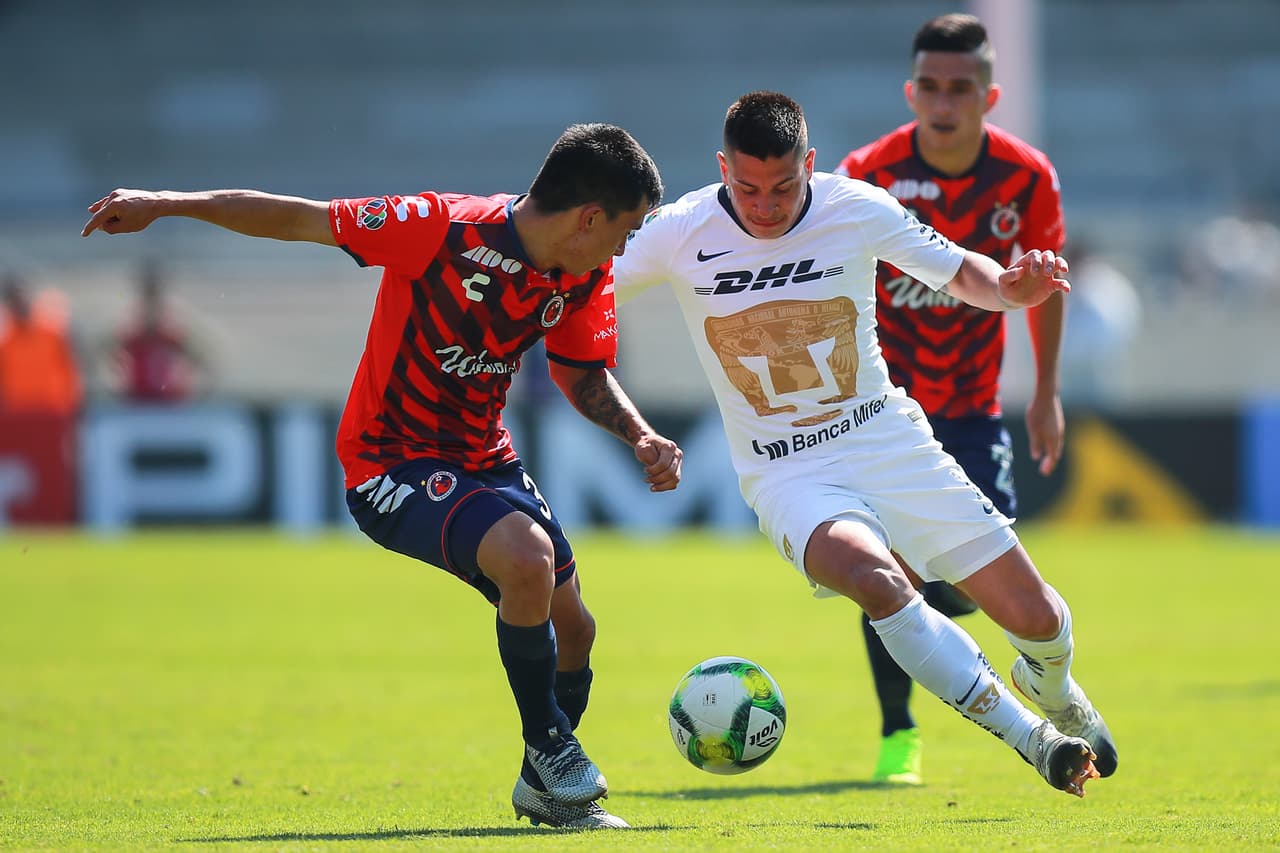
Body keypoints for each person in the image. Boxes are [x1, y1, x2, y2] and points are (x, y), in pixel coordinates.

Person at [82, 123, 683, 830]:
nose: (625, 246)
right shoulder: (437, 227)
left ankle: (544, 791)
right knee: (527, 557)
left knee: (575, 629)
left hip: (485, 458)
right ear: (589, 217)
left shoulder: (583, 272)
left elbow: (581, 371)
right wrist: (166, 202)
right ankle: (552, 746)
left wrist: (639, 433)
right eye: (625, 229)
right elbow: (297, 218)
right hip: (389, 460)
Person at [613, 91, 1117, 798]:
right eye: (747, 188)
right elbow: (577, 285)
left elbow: (957, 267)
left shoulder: (856, 206)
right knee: (881, 582)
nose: (765, 205)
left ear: (810, 165)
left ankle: (1053, 683)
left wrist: (1008, 287)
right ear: (722, 168)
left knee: (1041, 620)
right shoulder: (678, 230)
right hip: (787, 474)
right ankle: (1034, 737)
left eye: (784, 187)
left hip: (888, 441)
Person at [831, 12, 1067, 785]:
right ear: (911, 91)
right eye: (929, 86)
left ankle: (977, 652)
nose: (943, 102)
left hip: (969, 406)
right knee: (887, 568)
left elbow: (1046, 287)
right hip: (881, 410)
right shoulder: (866, 170)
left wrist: (1045, 394)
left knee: (963, 585)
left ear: (988, 96)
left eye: (959, 88)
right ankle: (898, 730)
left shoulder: (1026, 177)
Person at [107, 261, 209, 403]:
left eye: (154, 288)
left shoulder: (173, 318)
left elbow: (197, 353)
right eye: (148, 288)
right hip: (137, 397)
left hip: (171, 398)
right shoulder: (132, 318)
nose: (151, 292)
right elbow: (114, 352)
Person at [0, 273, 82, 416]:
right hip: (17, 413)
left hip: (51, 411)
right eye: (14, 298)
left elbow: (70, 372)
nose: (20, 303)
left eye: (21, 296)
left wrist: (73, 403)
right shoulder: (6, 340)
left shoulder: (52, 333)